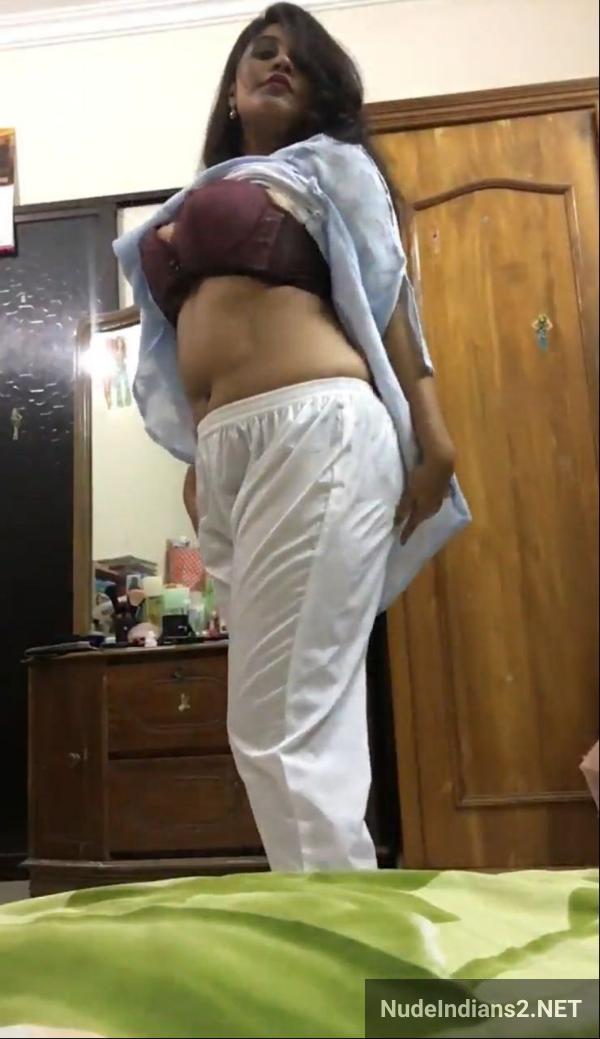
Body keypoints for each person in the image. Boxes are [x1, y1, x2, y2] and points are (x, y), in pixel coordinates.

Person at [114, 2, 470, 871]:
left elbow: (389, 297)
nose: (280, 64)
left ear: (320, 96)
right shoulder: (213, 187)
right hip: (230, 455)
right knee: (300, 710)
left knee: (278, 721)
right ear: (233, 87)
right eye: (264, 52)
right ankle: (337, 913)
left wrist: (436, 438)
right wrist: (199, 455)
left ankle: (333, 929)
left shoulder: (331, 169)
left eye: (300, 62)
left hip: (316, 428)